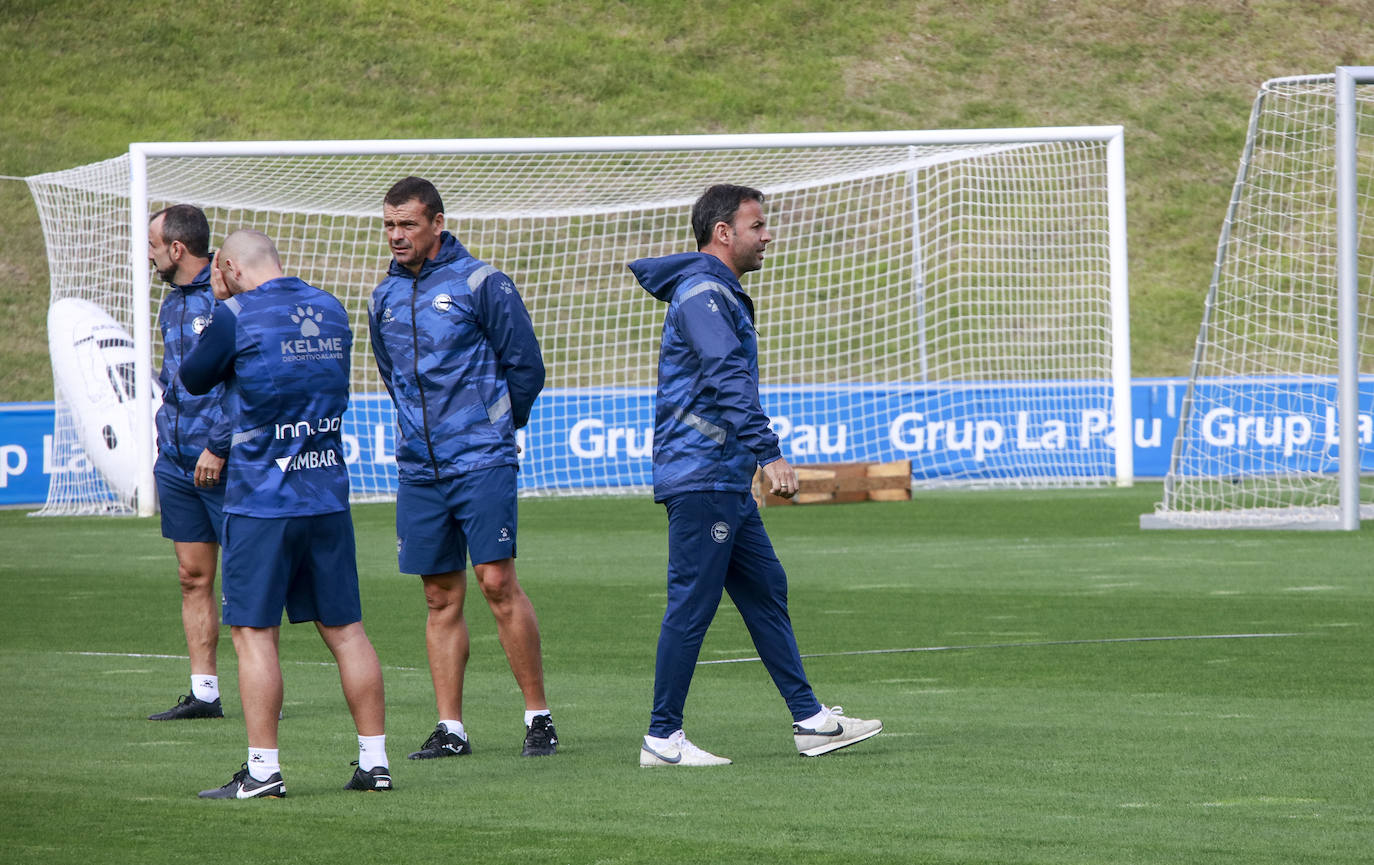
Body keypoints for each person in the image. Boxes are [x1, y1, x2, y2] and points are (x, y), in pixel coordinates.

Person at [628, 184, 883, 766]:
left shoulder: (714, 291)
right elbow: (725, 375)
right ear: (724, 232)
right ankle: (662, 739)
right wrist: (769, 454)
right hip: (702, 475)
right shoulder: (703, 294)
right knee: (691, 604)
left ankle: (812, 721)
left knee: (766, 589)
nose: (768, 236)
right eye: (758, 225)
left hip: (721, 477)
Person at [180, 229, 390, 798]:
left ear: (226, 267)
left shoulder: (236, 313)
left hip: (262, 500)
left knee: (254, 634)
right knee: (347, 631)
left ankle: (263, 771)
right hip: (327, 493)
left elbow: (192, 379)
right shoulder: (329, 306)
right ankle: (375, 762)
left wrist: (221, 310)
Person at [369, 176, 556, 759]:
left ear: (437, 223)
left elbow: (526, 366)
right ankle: (451, 728)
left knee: (497, 583)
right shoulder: (383, 298)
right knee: (438, 596)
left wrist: (494, 426)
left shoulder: (482, 283)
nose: (397, 236)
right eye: (390, 226)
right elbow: (390, 374)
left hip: (481, 460)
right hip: (419, 469)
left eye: (408, 224)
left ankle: (538, 717)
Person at [145, 204, 230, 722]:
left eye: (154, 246)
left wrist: (218, 445)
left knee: (248, 578)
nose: (149, 256)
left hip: (225, 461)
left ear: (178, 249)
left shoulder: (230, 295)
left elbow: (245, 383)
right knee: (192, 577)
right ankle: (205, 693)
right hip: (176, 462)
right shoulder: (171, 304)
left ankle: (265, 688)